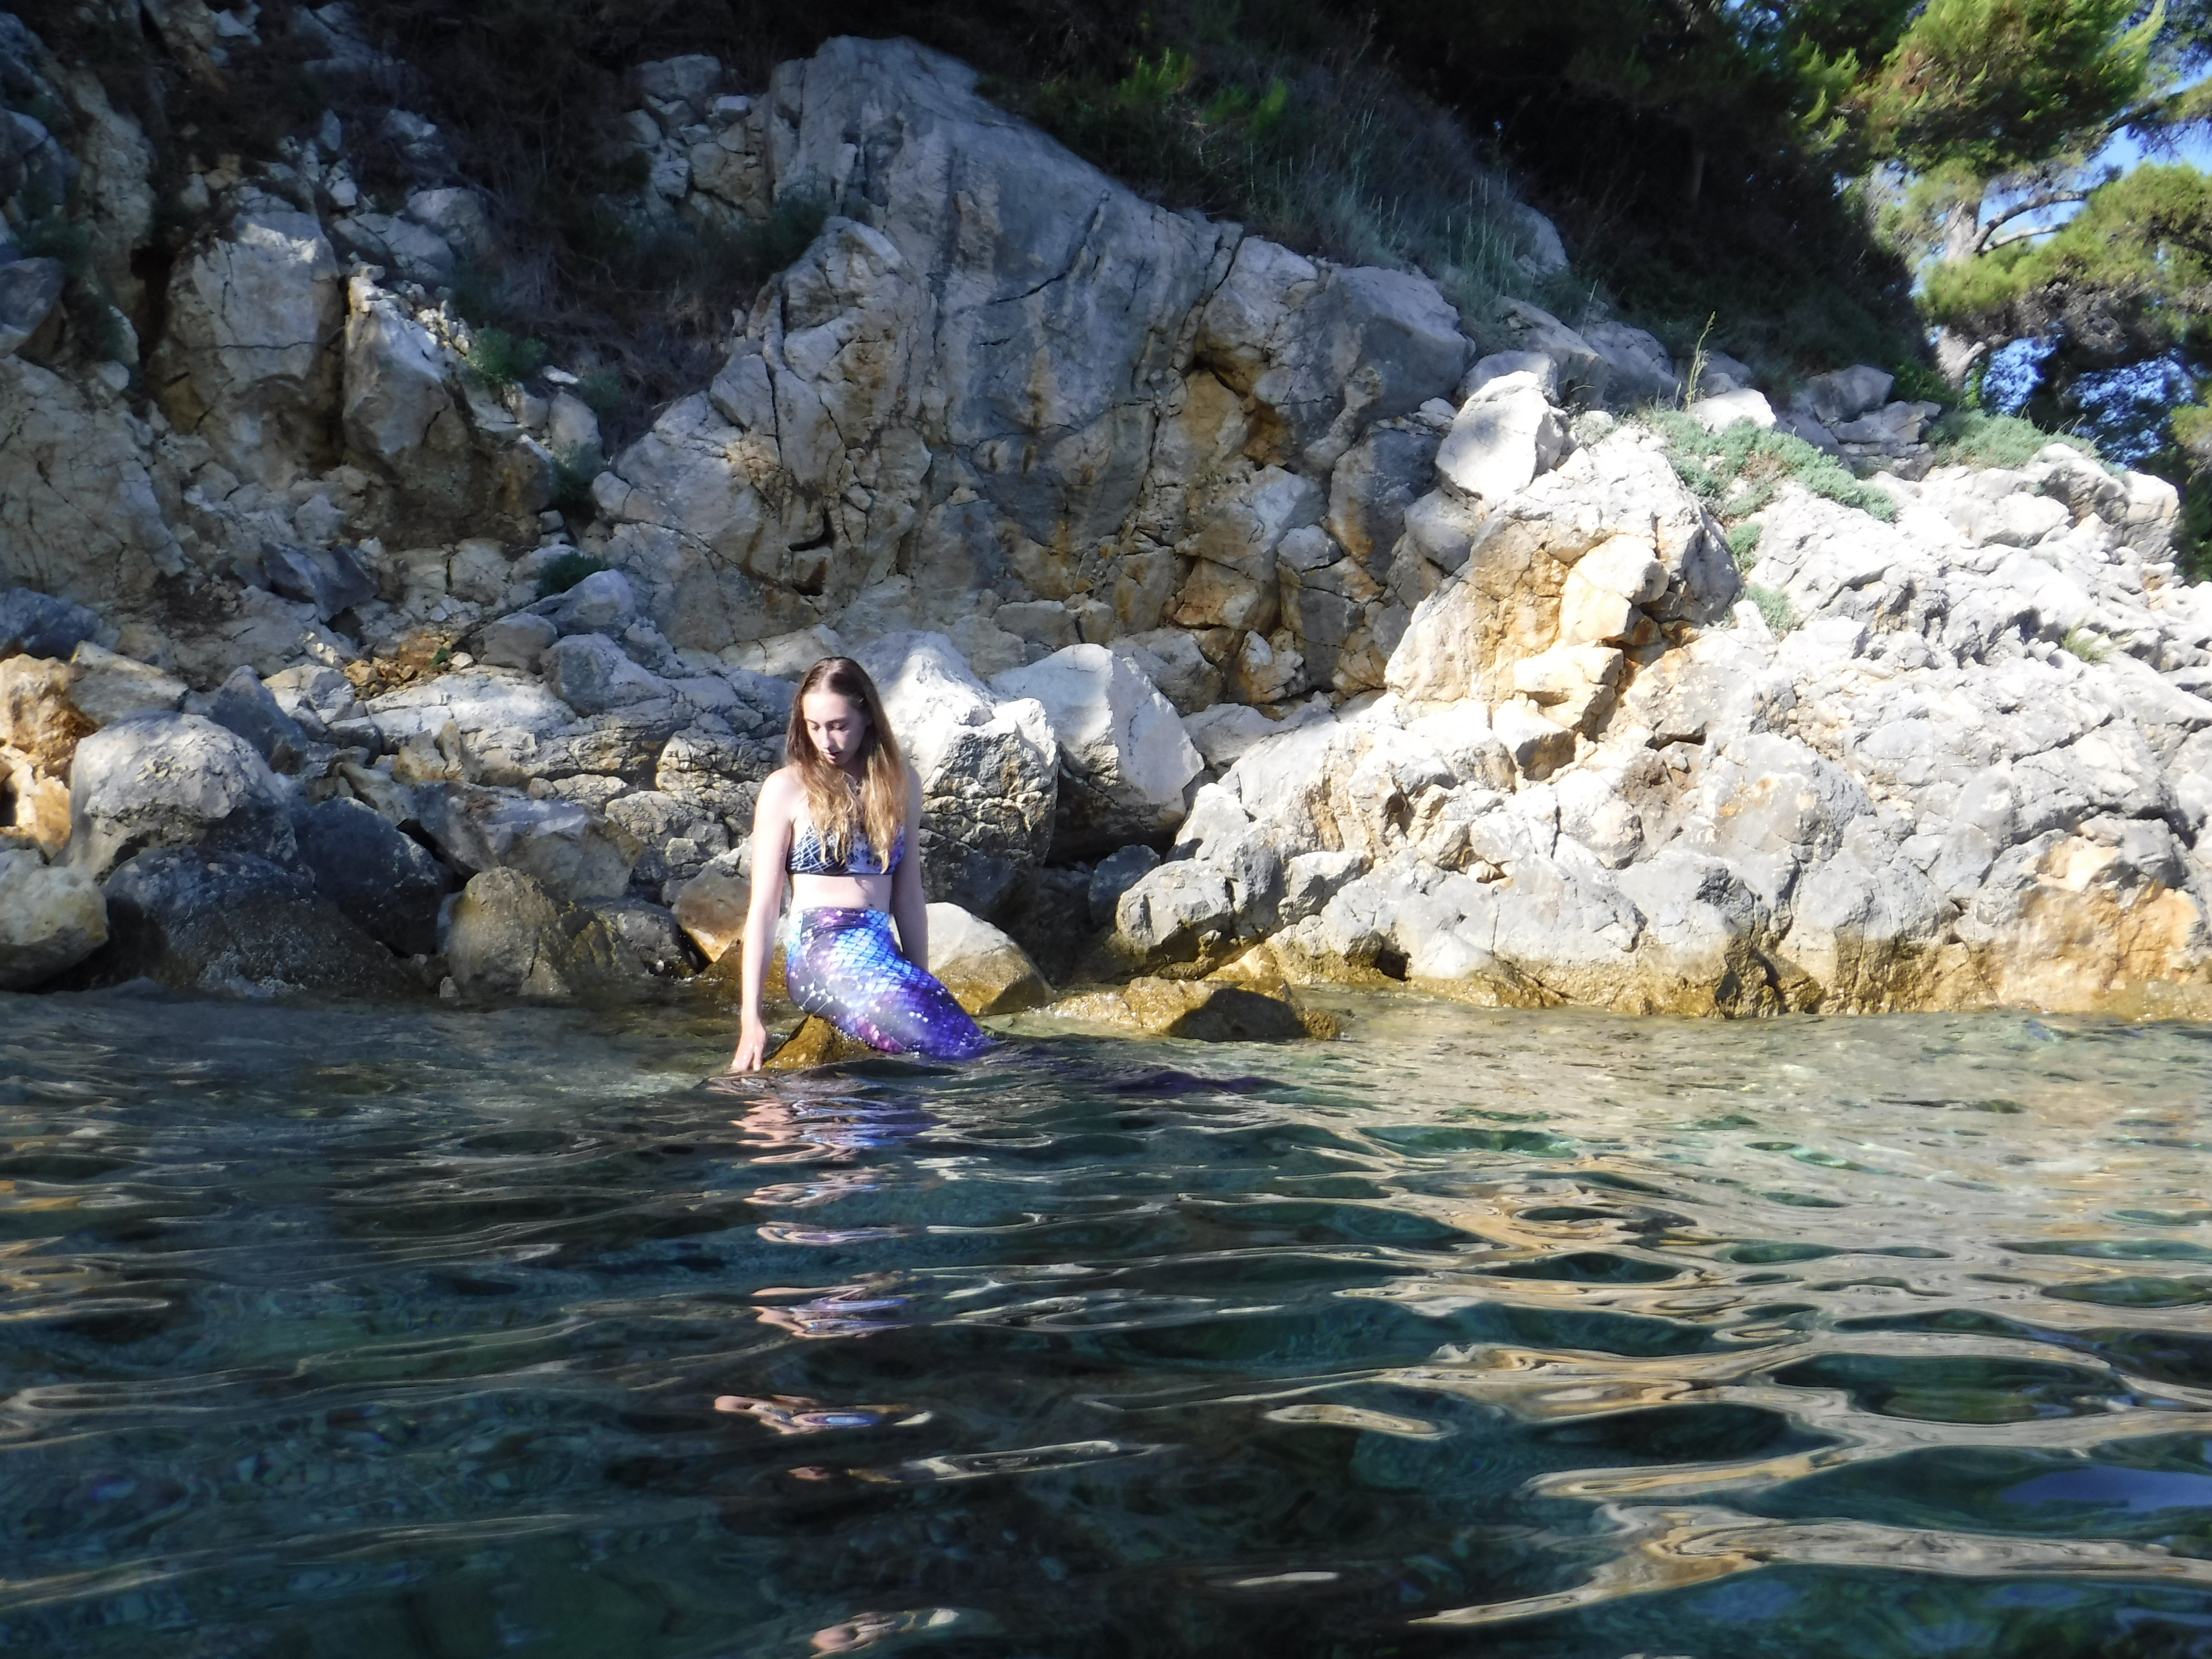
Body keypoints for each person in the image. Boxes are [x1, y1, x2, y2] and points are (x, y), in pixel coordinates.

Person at [728, 657, 992, 1070]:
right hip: (821, 951)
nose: (826, 741)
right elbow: (763, 908)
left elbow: (908, 894)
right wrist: (752, 1021)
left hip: (878, 948)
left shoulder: (901, 782)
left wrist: (921, 980)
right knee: (958, 1051)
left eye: (839, 726)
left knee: (966, 1044)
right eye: (814, 727)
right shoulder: (786, 788)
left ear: (867, 715)